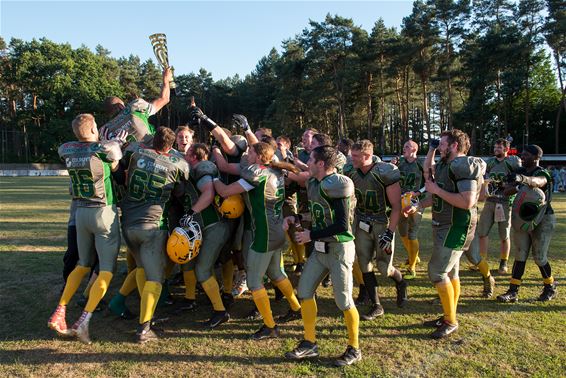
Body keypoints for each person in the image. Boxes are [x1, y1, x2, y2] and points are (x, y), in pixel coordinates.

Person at [213, 141, 302, 340]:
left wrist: (213, 179)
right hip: (277, 230)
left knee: (254, 282)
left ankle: (270, 326)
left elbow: (225, 192)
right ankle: (296, 307)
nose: (246, 153)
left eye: (250, 151)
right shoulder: (276, 170)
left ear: (259, 156)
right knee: (276, 273)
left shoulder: (257, 174)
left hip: (264, 233)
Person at [48, 114, 124, 344]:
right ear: (93, 128)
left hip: (80, 212)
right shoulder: (104, 148)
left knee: (82, 264)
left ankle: (60, 310)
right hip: (103, 211)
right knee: (107, 269)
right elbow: (115, 165)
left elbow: (73, 148)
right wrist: (117, 143)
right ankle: (83, 321)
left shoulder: (67, 149)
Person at [284, 146, 361, 367]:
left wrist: (310, 234)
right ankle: (310, 343)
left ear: (320, 163)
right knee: (305, 291)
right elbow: (321, 213)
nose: (307, 162)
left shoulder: (339, 183)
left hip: (339, 248)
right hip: (320, 249)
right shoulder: (315, 183)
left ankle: (354, 348)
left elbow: (341, 224)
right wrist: (299, 217)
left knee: (344, 301)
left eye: (311, 159)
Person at [120, 127, 189, 343]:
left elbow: (119, 171)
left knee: (141, 268)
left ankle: (144, 314)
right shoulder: (178, 163)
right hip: (152, 225)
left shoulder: (135, 152)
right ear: (171, 145)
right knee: (156, 278)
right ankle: (144, 328)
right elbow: (180, 192)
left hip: (128, 223)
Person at [412, 129, 482, 339]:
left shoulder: (463, 165)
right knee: (451, 273)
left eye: (442, 144)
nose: (439, 147)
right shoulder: (446, 165)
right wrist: (419, 205)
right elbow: (434, 187)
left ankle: (451, 320)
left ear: (453, 146)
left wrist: (435, 191)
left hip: (457, 225)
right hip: (445, 223)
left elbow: (466, 201)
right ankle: (447, 315)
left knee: (436, 272)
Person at [344, 140, 407, 320]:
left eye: (356, 156)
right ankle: (376, 305)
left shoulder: (384, 172)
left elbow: (396, 206)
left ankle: (401, 283)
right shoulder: (350, 171)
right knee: (364, 264)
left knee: (384, 268)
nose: (352, 159)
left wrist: (390, 231)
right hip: (362, 221)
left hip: (381, 222)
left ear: (367, 156)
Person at [497, 145, 557, 303]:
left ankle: (550, 286)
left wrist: (523, 180)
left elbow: (539, 181)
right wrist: (514, 184)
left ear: (536, 157)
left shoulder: (542, 172)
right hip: (522, 217)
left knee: (539, 256)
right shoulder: (519, 171)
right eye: (522, 155)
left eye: (526, 155)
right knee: (520, 252)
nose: (522, 157)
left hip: (542, 218)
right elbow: (506, 191)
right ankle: (513, 291)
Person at [477, 138, 521, 277]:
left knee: (504, 235)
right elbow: (481, 177)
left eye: (499, 147)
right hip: (490, 200)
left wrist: (506, 185)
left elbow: (519, 179)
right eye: (495, 147)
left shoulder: (513, 161)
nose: (496, 150)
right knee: (482, 232)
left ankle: (504, 262)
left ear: (506, 149)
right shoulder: (489, 162)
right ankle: (481, 260)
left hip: (505, 201)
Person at [102, 68, 173, 144]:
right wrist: (166, 79)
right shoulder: (135, 107)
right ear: (120, 106)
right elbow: (164, 99)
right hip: (152, 150)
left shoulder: (104, 131)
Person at [397, 140, 425, 280]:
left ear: (414, 149)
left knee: (412, 233)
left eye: (407, 146)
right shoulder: (399, 163)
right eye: (404, 146)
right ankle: (412, 255)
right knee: (402, 231)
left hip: (415, 201)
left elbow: (430, 181)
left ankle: (412, 267)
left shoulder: (421, 163)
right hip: (400, 200)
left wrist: (418, 193)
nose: (404, 148)